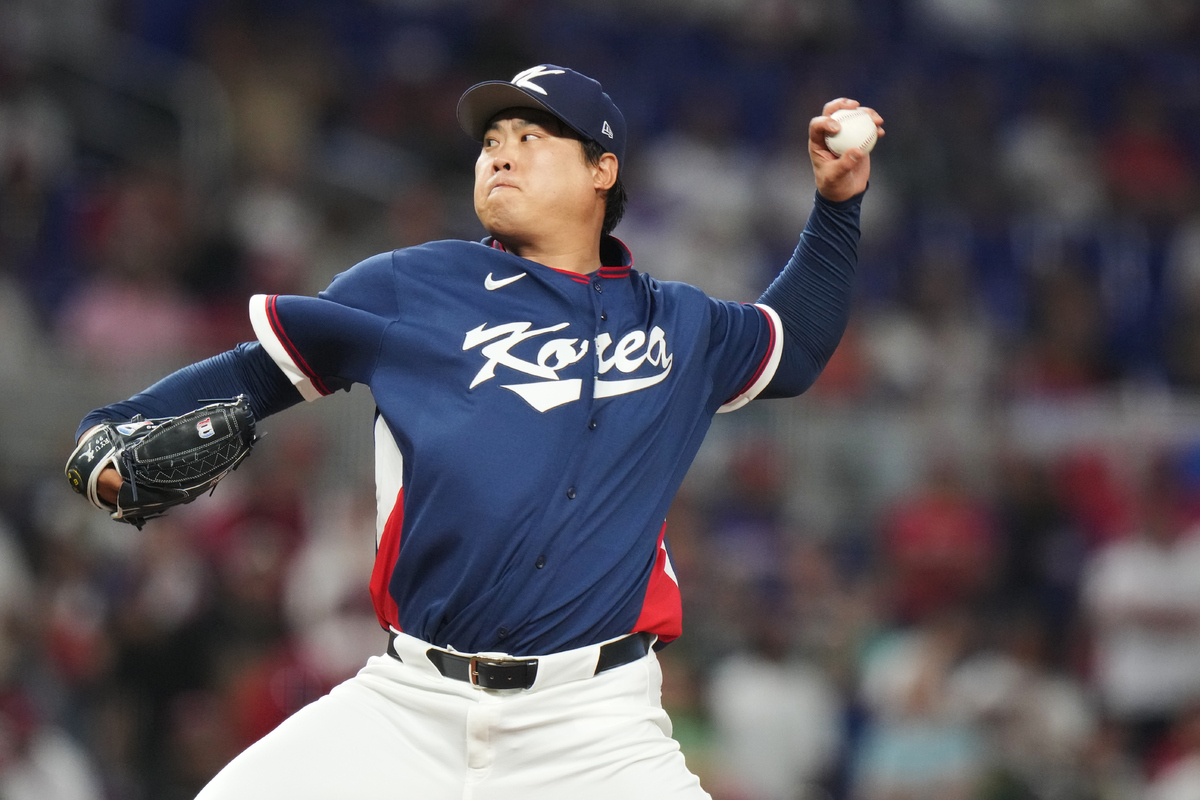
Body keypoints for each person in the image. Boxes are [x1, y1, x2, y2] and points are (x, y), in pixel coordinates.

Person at [71, 64, 881, 799]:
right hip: (409, 707)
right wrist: (108, 430)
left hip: (595, 729)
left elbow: (795, 343)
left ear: (602, 171)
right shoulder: (413, 287)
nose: (500, 155)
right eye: (492, 141)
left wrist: (837, 206)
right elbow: (254, 375)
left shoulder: (678, 325)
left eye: (531, 138)